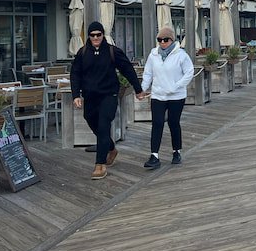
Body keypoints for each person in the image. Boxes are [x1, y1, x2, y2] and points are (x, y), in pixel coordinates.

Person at [70, 20, 143, 180]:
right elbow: (75, 74)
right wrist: (75, 95)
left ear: (103, 35)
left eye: (98, 34)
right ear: (89, 36)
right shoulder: (82, 52)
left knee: (103, 126)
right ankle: (111, 148)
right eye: (92, 35)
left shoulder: (112, 51)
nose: (96, 38)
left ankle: (100, 165)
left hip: (109, 95)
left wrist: (138, 89)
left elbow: (127, 69)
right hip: (90, 96)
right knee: (90, 120)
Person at [139, 25, 195, 169]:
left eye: (165, 40)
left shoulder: (181, 55)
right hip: (158, 95)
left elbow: (189, 72)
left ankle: (176, 151)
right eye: (159, 40)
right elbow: (148, 73)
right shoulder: (153, 55)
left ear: (172, 40)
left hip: (176, 96)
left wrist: (176, 86)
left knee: (173, 122)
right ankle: (154, 155)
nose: (162, 42)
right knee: (157, 123)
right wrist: (142, 89)